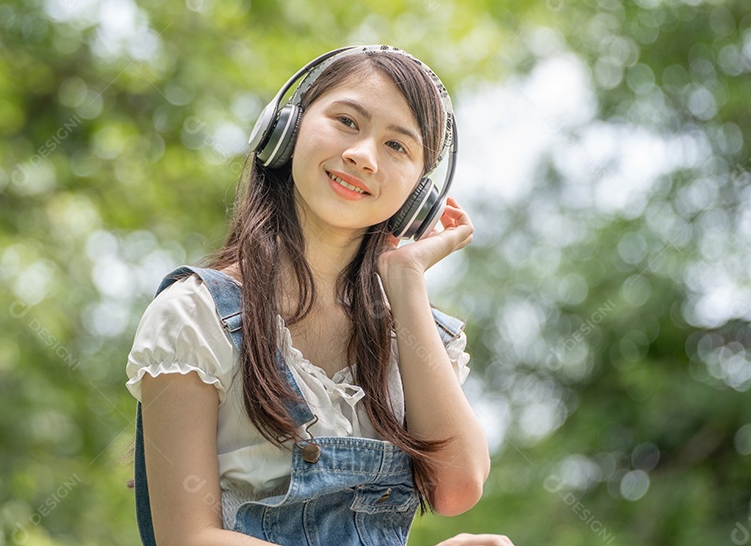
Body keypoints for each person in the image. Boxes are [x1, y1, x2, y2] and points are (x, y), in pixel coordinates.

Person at [125, 45, 514, 546]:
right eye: (347, 121)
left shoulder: (412, 335)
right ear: (285, 130)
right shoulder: (196, 314)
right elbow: (188, 539)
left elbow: (457, 488)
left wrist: (405, 280)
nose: (363, 156)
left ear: (419, 196)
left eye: (397, 146)